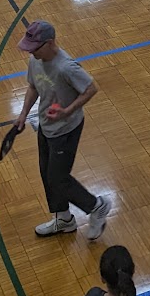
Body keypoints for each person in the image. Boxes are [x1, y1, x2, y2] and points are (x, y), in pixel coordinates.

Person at [11, 20, 112, 240]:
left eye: (34, 47)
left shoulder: (66, 67)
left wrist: (67, 111)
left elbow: (91, 88)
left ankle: (97, 206)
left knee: (58, 178)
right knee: (46, 174)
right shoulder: (35, 60)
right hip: (46, 126)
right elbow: (33, 87)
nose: (31, 52)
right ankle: (64, 219)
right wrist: (23, 114)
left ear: (49, 43)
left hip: (66, 130)